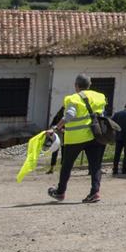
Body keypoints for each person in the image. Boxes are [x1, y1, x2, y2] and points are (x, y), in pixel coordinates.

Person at [48, 75, 108, 204]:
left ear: (76, 85)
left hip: (76, 138)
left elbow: (69, 115)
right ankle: (94, 193)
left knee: (67, 165)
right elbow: (102, 114)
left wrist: (55, 128)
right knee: (95, 165)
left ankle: (60, 192)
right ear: (89, 84)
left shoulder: (73, 98)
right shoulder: (99, 96)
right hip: (95, 135)